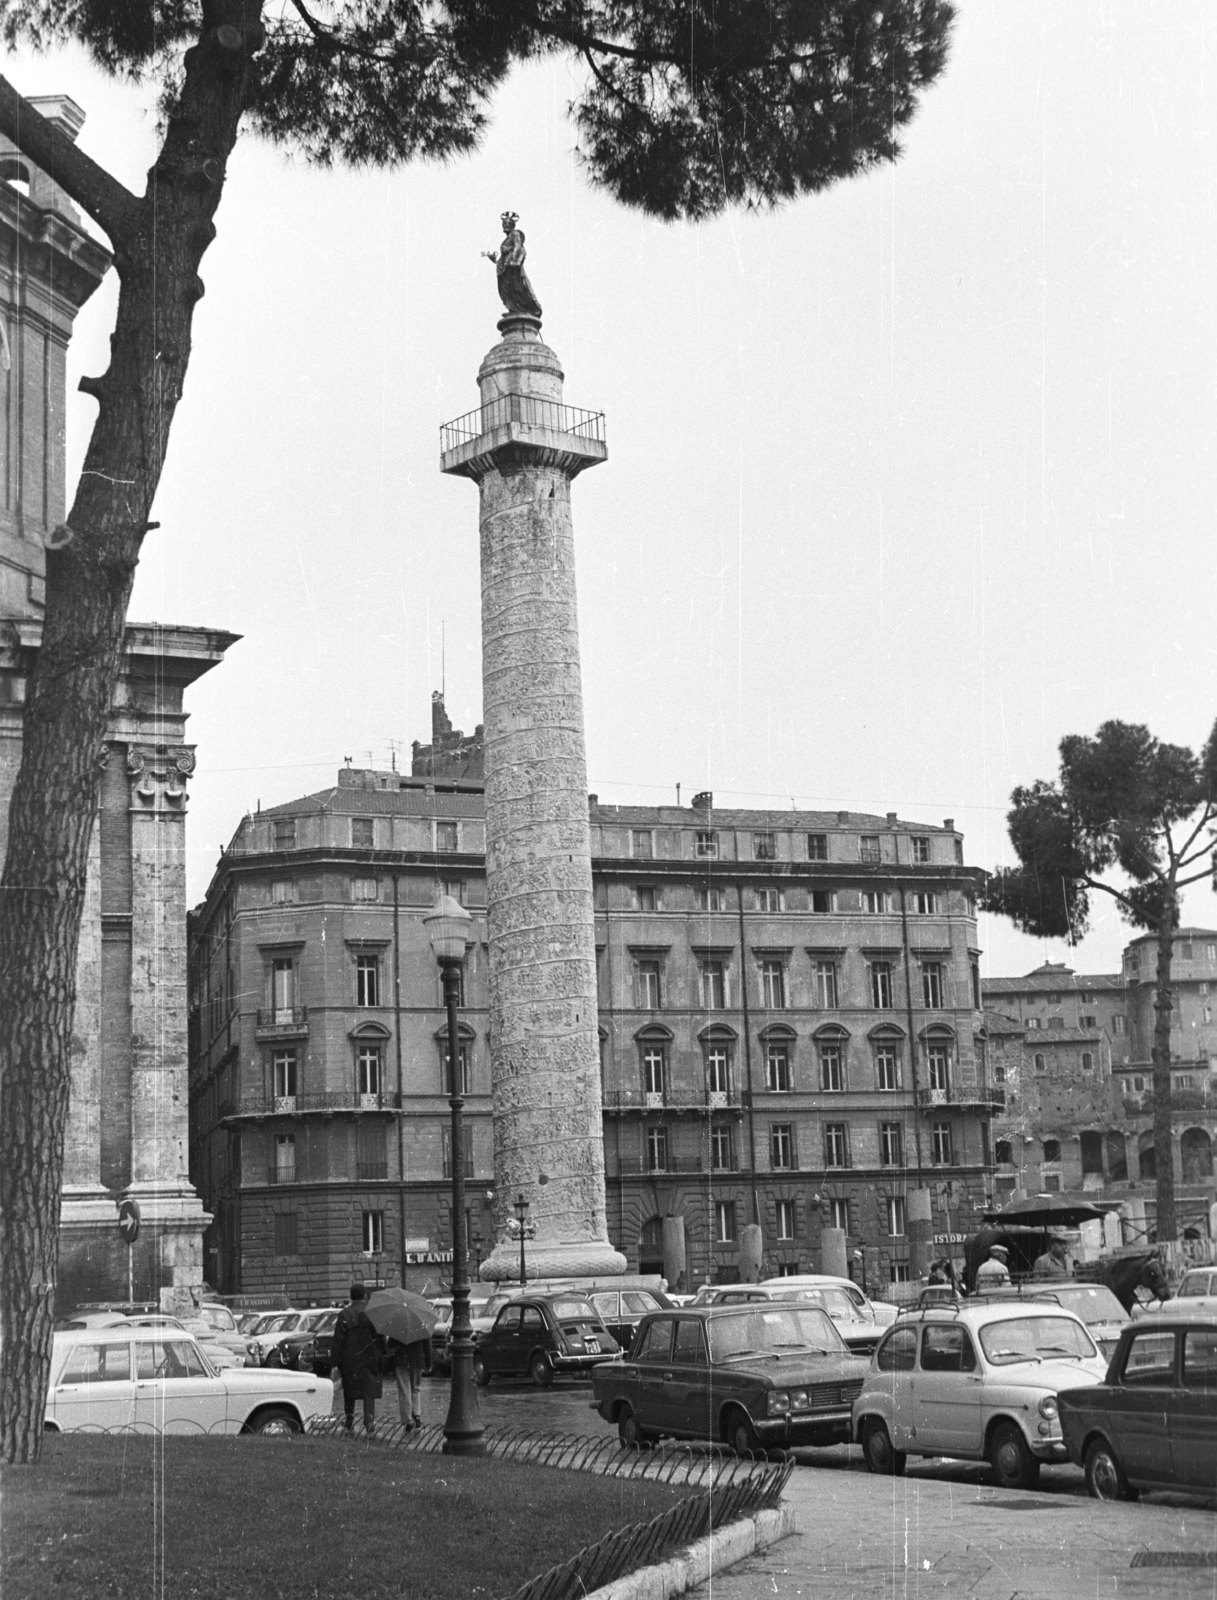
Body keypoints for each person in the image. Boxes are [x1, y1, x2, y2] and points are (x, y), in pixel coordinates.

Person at [331, 1283, 383, 1433]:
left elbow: (338, 1340)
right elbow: (379, 1338)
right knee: (369, 1391)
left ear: (351, 1296)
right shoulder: (373, 1314)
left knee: (349, 1390)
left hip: (350, 1358)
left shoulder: (344, 1315)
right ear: (365, 1296)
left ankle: (349, 1420)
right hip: (370, 1358)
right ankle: (369, 1423)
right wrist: (382, 1355)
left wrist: (335, 1362)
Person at [388, 1332, 431, 1431]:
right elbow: (427, 1345)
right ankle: (417, 1415)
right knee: (415, 1388)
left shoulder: (398, 1323)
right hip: (418, 1360)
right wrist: (428, 1363)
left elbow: (390, 1345)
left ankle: (408, 1420)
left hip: (402, 1359)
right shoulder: (421, 1323)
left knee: (404, 1389)